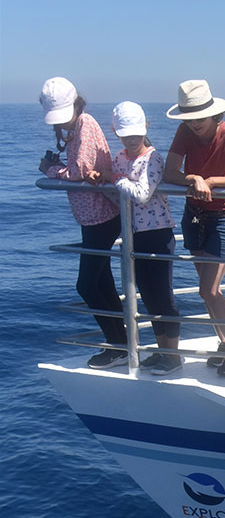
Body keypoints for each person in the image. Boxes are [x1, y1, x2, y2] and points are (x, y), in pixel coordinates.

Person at [164, 80, 225, 377]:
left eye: (199, 118)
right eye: (188, 118)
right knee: (206, 292)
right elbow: (170, 172)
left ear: (213, 114)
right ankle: (224, 346)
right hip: (194, 215)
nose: (193, 124)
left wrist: (213, 181)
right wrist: (193, 178)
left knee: (210, 289)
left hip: (224, 218)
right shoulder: (183, 132)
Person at [39, 77, 127, 369]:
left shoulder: (86, 124)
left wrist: (50, 168)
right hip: (93, 218)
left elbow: (78, 171)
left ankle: (119, 345)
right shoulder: (77, 127)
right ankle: (122, 344)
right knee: (102, 283)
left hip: (101, 217)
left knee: (86, 285)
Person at [88, 102, 182, 376]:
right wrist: (103, 180)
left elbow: (141, 193)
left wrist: (115, 178)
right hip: (134, 236)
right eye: (125, 134)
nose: (131, 140)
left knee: (163, 295)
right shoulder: (119, 158)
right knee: (148, 296)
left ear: (146, 130)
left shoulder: (153, 158)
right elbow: (121, 195)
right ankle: (161, 350)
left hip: (158, 234)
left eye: (136, 134)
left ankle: (172, 355)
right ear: (116, 132)